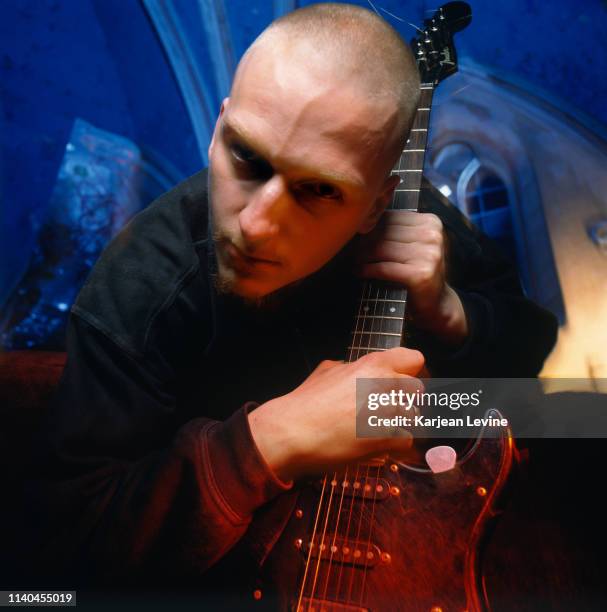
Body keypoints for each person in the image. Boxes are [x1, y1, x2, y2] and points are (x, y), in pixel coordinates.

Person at [13, 3, 556, 606]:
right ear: (220, 126)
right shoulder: (140, 282)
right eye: (246, 157)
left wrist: (453, 315)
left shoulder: (414, 214)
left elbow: (527, 389)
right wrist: (270, 439)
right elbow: (54, 562)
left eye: (319, 190)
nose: (256, 225)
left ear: (378, 204)